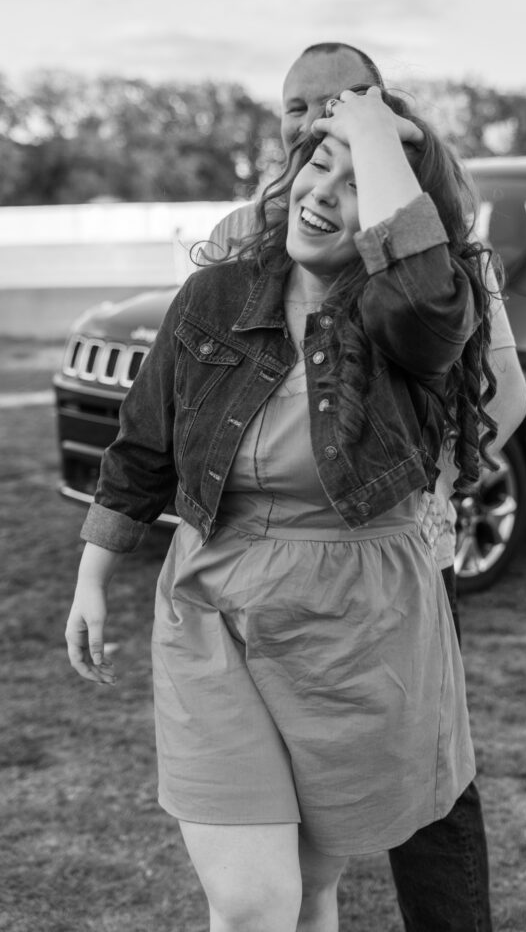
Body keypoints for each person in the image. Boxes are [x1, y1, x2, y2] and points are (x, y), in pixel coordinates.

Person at [65, 84, 498, 932]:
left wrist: (374, 127)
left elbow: (421, 295)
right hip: (216, 606)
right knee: (254, 902)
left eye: (354, 184)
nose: (319, 195)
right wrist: (93, 574)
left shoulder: (410, 316)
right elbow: (144, 443)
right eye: (314, 167)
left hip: (358, 622)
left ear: (394, 215)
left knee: (310, 883)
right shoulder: (218, 297)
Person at [206, 42, 526, 932]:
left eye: (338, 102)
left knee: (426, 781)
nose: (312, 122)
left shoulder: (443, 239)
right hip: (261, 572)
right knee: (290, 801)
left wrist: (418, 485)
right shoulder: (242, 231)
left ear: (382, 111)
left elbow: (501, 397)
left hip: (390, 557)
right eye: (295, 107)